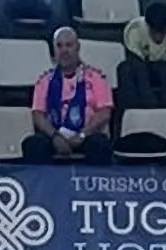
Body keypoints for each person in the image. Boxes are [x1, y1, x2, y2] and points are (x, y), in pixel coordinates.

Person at [25, 28, 115, 164]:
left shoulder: (97, 77)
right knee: (34, 144)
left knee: (100, 144)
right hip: (54, 135)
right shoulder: (44, 80)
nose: (64, 51)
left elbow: (104, 113)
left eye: (69, 45)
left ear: (77, 48)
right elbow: (38, 114)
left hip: (86, 135)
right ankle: (41, 184)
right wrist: (55, 136)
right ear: (54, 50)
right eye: (59, 46)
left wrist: (82, 135)